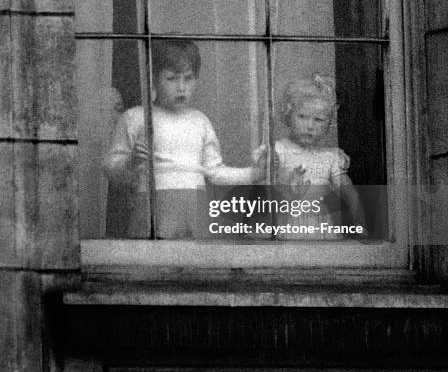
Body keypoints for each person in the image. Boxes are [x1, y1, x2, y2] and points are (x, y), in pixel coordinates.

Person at [104, 39, 266, 238]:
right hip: (153, 211)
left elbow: (215, 172)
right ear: (153, 78)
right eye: (171, 79)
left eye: (188, 78)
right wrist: (131, 162)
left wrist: (255, 173)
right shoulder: (136, 118)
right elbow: (111, 168)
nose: (181, 87)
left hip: (195, 213)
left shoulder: (200, 121)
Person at [274, 74, 367, 239]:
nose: (309, 126)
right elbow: (265, 191)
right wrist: (287, 187)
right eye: (302, 116)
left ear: (329, 123)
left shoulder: (330, 157)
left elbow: (349, 193)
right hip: (290, 224)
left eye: (318, 120)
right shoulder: (280, 151)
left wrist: (360, 225)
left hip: (322, 227)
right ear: (288, 115)